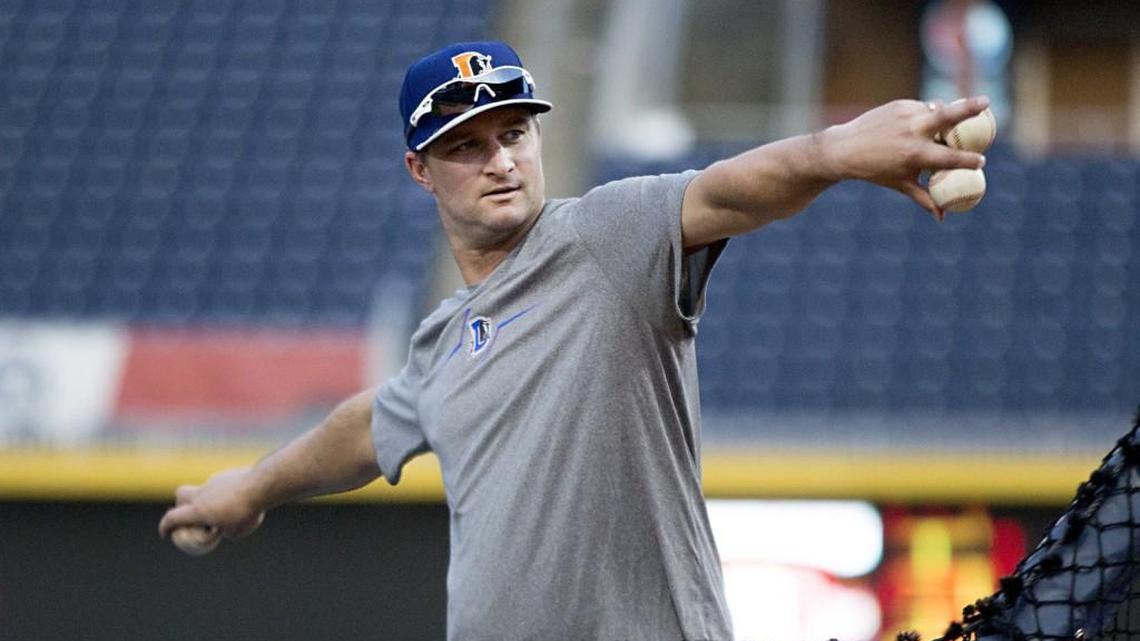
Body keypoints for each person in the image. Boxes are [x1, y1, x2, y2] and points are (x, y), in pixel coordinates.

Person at [159, 41, 988, 640]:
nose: (500, 160)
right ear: (420, 170)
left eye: (514, 133)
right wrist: (253, 488)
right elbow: (368, 425)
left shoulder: (604, 238)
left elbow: (730, 194)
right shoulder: (443, 340)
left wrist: (833, 150)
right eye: (465, 146)